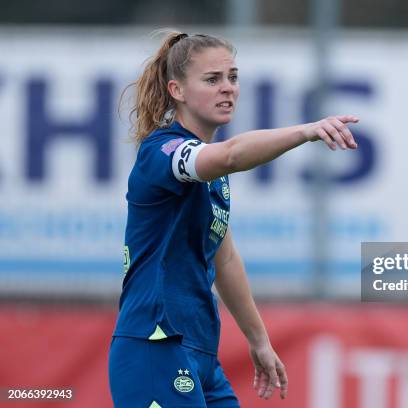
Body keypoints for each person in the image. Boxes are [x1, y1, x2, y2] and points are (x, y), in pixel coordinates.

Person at [108, 31, 359, 408]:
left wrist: (258, 340)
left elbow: (224, 259)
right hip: (154, 345)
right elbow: (229, 156)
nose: (228, 89)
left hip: (201, 355)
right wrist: (306, 131)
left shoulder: (211, 173)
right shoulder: (162, 151)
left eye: (233, 77)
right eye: (212, 80)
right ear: (177, 90)